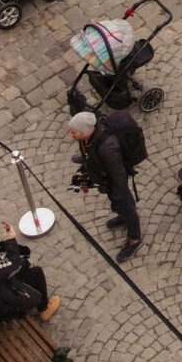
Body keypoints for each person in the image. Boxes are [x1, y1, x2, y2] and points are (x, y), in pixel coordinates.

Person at [69, 108, 144, 259]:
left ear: (86, 131)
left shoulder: (107, 147)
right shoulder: (88, 137)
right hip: (107, 179)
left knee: (126, 207)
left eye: (74, 132)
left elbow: (118, 174)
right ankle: (124, 216)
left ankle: (134, 238)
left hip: (115, 183)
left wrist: (117, 195)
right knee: (123, 207)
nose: (71, 135)